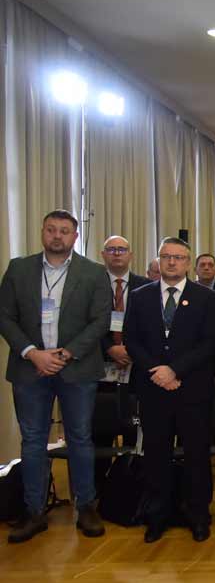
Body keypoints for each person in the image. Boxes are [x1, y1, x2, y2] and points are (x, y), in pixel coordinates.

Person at [0, 210, 111, 543]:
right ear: (43, 233)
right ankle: (34, 511)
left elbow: (100, 321)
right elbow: (4, 316)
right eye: (51, 230)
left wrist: (65, 354)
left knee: (80, 437)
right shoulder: (19, 269)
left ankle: (86, 507)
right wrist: (32, 352)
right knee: (33, 441)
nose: (57, 236)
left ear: (75, 237)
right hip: (29, 367)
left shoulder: (93, 273)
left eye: (64, 231)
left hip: (75, 368)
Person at [124, 237, 215, 542]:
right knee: (155, 455)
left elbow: (211, 343)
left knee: (195, 455)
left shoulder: (206, 298)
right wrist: (158, 372)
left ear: (188, 263)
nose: (172, 262)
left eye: (179, 258)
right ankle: (157, 515)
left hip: (192, 390)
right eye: (166, 256)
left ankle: (198, 515)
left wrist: (175, 370)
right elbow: (132, 339)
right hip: (153, 389)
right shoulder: (139, 297)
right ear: (158, 259)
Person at [96, 235, 149, 483]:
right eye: (112, 249)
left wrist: (131, 351)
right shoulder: (91, 285)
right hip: (98, 367)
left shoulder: (145, 285)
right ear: (103, 254)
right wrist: (110, 348)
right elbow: (82, 323)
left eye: (122, 249)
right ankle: (98, 486)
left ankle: (128, 482)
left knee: (133, 427)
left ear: (131, 255)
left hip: (135, 367)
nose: (117, 254)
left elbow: (152, 328)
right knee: (99, 431)